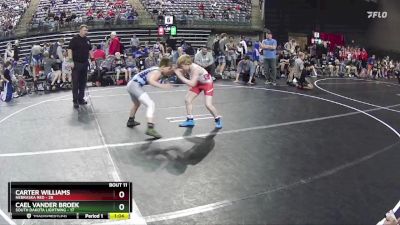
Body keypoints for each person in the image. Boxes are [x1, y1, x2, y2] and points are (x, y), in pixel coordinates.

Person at [126, 57, 174, 139]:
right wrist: (163, 86)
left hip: (130, 84)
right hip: (135, 85)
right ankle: (150, 128)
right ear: (164, 67)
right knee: (150, 104)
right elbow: (151, 81)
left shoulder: (156, 69)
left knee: (137, 103)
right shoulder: (157, 71)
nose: (170, 72)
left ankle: (130, 120)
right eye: (169, 70)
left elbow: (153, 77)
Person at [174, 55, 222, 129]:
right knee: (187, 99)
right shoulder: (187, 67)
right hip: (198, 83)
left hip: (207, 84)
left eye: (182, 66)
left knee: (208, 104)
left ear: (186, 64)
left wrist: (180, 75)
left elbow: (192, 84)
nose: (181, 68)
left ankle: (217, 119)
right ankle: (190, 120)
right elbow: (180, 71)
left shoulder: (195, 69)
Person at [68, 24, 92, 109]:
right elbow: (69, 49)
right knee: (75, 83)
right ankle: (75, 101)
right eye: (85, 30)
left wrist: (92, 58)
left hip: (85, 63)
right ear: (80, 30)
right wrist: (70, 61)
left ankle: (80, 99)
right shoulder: (74, 39)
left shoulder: (87, 40)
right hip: (76, 63)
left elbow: (89, 50)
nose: (86, 32)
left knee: (83, 82)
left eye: (87, 30)